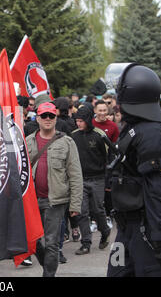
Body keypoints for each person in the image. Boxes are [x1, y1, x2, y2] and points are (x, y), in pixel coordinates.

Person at [106, 64, 161, 277]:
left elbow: (158, 188)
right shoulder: (134, 127)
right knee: (116, 273)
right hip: (127, 225)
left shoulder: (152, 133)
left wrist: (159, 237)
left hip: (146, 228)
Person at [26, 102, 82, 277]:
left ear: (56, 118)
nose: (48, 119)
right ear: (38, 118)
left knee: (51, 243)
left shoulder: (67, 142)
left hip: (55, 201)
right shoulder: (28, 141)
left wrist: (75, 205)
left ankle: (48, 274)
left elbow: (75, 174)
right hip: (32, 201)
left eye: (51, 115)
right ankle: (47, 265)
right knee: (31, 241)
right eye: (44, 116)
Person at [71, 106, 111, 255]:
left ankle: (105, 231)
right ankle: (86, 242)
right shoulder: (73, 136)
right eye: (77, 121)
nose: (78, 124)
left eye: (81, 121)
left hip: (98, 178)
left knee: (98, 209)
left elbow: (109, 156)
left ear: (88, 120)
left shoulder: (99, 135)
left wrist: (107, 176)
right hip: (80, 179)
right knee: (82, 211)